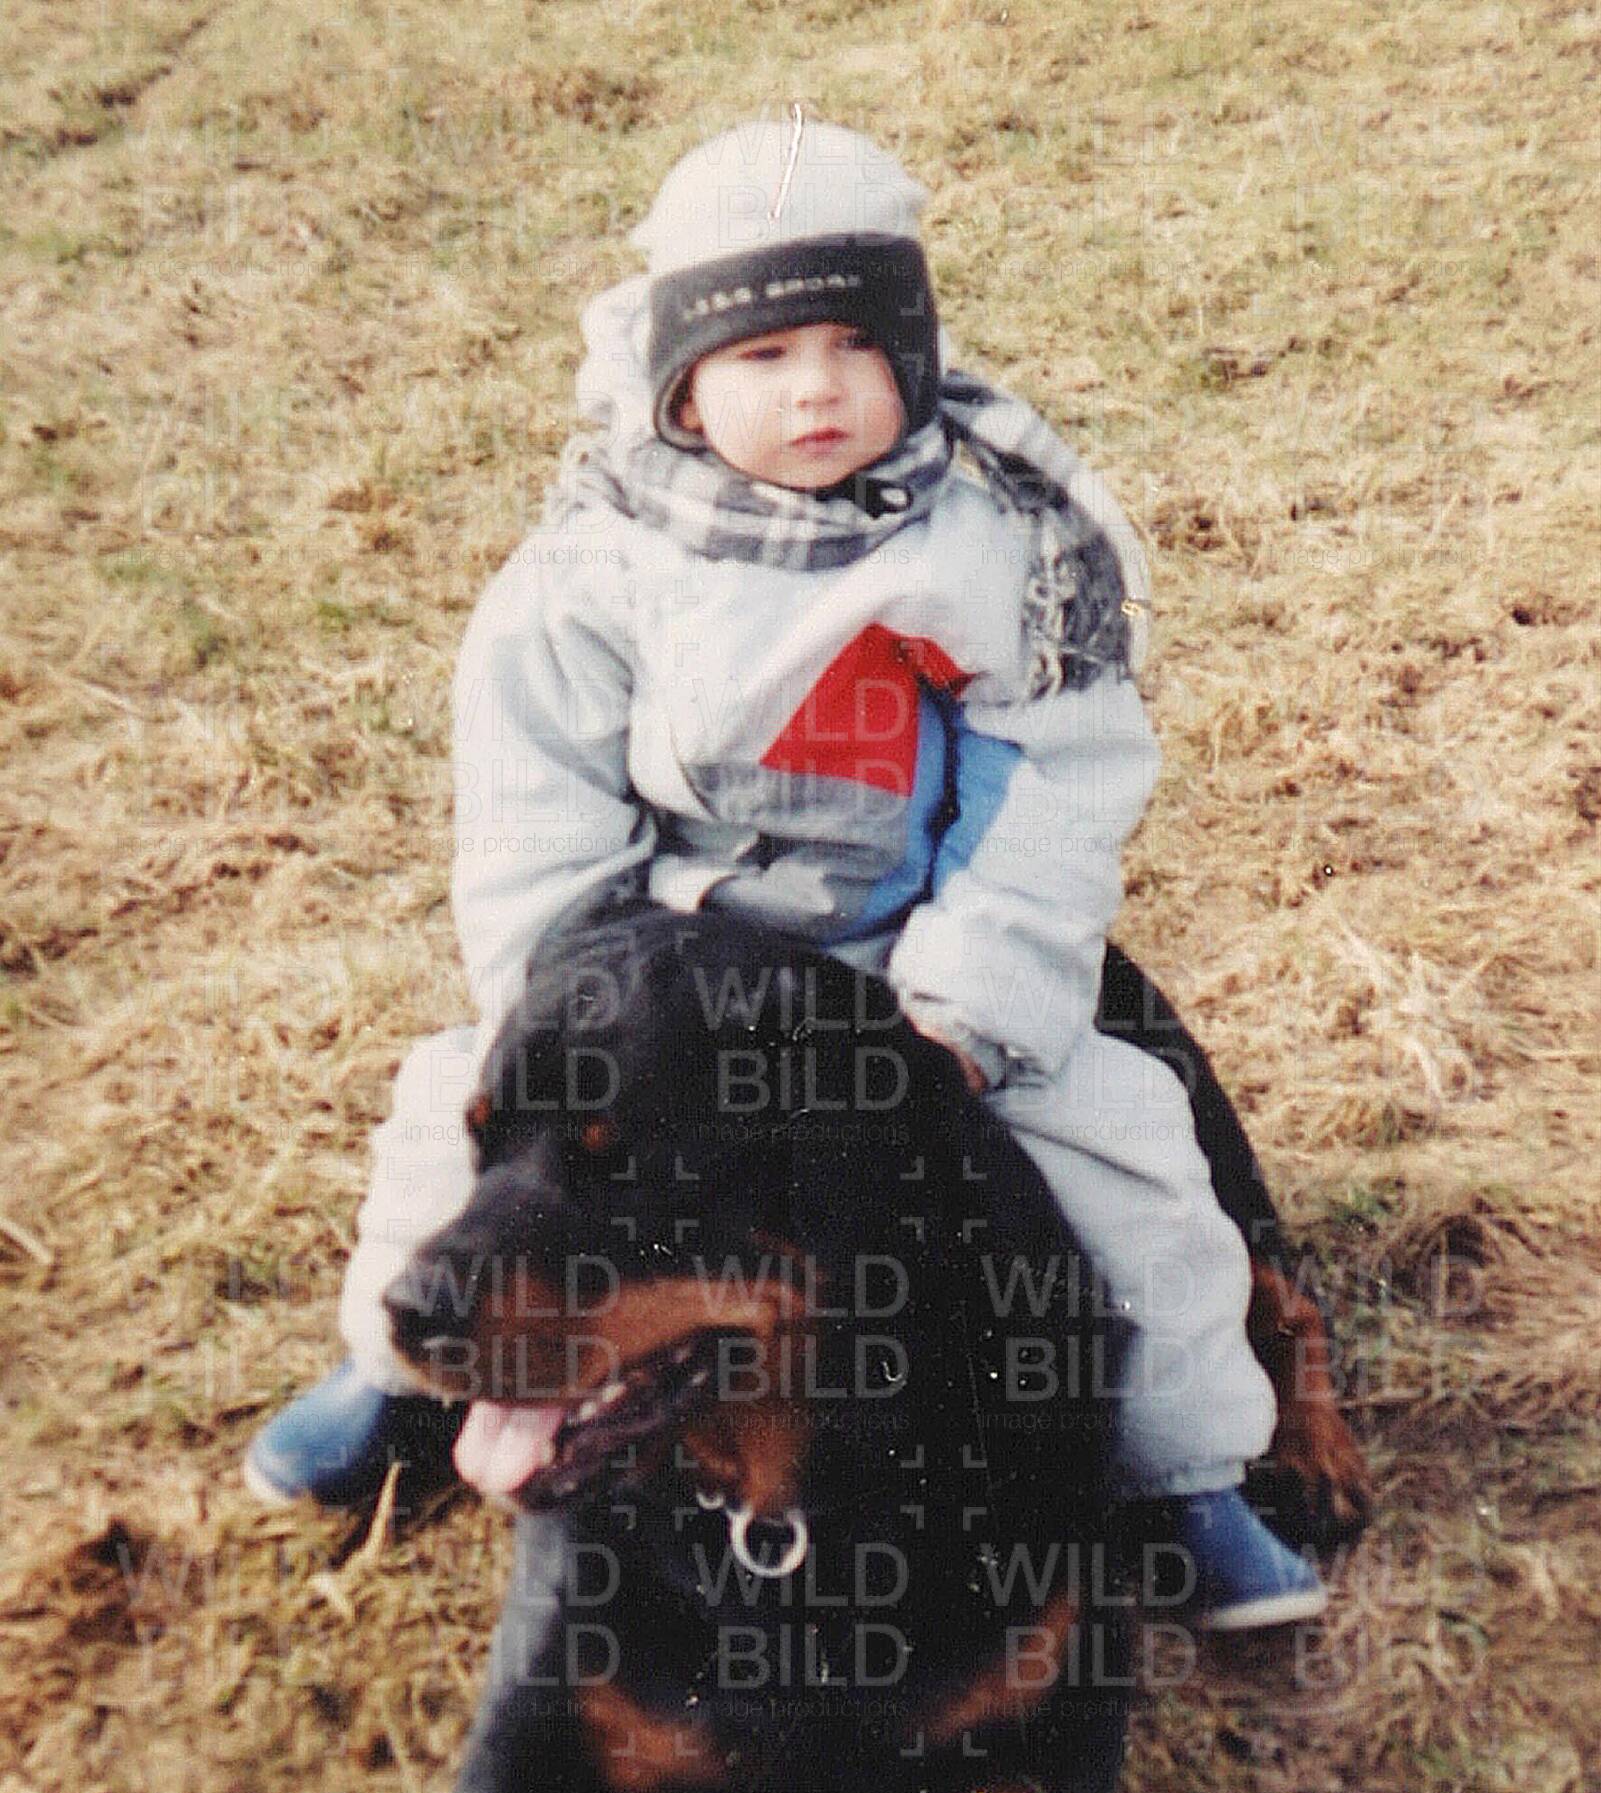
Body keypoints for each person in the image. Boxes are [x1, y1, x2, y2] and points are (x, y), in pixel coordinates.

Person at [246, 113, 1321, 1630]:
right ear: (680, 382)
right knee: (450, 1117)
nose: (816, 387)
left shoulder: (997, 548)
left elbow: (1056, 788)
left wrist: (971, 1002)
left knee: (1123, 1149)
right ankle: (395, 1371)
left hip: (899, 972)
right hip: (660, 989)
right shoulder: (589, 575)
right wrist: (576, 1002)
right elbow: (533, 825)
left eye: (855, 343)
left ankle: (1181, 1470)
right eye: (761, 355)